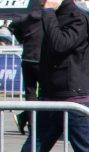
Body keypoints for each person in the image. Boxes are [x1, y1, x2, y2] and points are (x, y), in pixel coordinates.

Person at [4, 0, 89, 152]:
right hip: (51, 100)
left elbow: (59, 44)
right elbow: (23, 28)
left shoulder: (77, 18)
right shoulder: (48, 17)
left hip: (72, 101)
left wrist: (47, 14)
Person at [10, 0, 43, 135]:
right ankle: (31, 122)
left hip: (29, 58)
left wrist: (23, 39)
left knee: (31, 94)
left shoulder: (27, 18)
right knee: (44, 94)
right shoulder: (49, 18)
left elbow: (12, 26)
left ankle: (27, 119)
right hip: (42, 59)